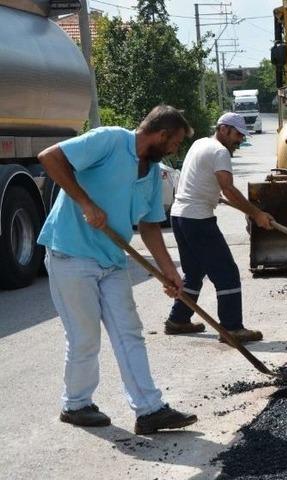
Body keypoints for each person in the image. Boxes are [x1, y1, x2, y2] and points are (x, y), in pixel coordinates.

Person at [37, 105, 198, 435]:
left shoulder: (152, 172)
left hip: (111, 260)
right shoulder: (110, 141)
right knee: (85, 337)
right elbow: (49, 157)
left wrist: (169, 272)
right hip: (71, 253)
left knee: (129, 332)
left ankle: (149, 410)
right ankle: (76, 404)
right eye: (175, 143)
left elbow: (151, 226)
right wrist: (85, 202)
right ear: (161, 134)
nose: (175, 150)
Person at [163, 112, 274, 343]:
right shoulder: (220, 151)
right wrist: (256, 214)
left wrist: (211, 195)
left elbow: (196, 180)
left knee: (193, 272)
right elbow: (229, 189)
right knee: (227, 273)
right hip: (198, 220)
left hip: (179, 216)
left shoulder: (199, 144)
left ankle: (178, 320)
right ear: (223, 129)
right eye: (237, 135)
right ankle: (232, 328)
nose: (240, 140)